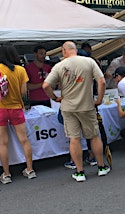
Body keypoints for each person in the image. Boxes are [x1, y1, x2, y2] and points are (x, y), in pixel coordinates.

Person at [42, 41, 110, 182]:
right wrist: (99, 99)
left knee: (74, 139)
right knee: (94, 136)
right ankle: (101, 167)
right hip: (87, 105)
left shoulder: (59, 66)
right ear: (75, 50)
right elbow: (102, 81)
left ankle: (80, 172)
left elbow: (46, 85)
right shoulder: (89, 61)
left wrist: (55, 98)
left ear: (63, 51)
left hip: (68, 107)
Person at [0, 45, 36, 184]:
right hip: (16, 108)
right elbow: (23, 92)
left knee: (3, 143)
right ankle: (30, 169)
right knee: (24, 139)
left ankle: (7, 174)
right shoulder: (21, 70)